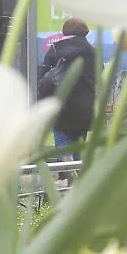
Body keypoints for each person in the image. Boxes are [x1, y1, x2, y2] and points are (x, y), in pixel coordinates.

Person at [38, 18, 97, 153]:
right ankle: (76, 171)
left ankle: (68, 170)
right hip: (84, 110)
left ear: (65, 31)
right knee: (78, 147)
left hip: (61, 110)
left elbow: (43, 77)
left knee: (64, 150)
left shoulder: (54, 50)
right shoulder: (92, 52)